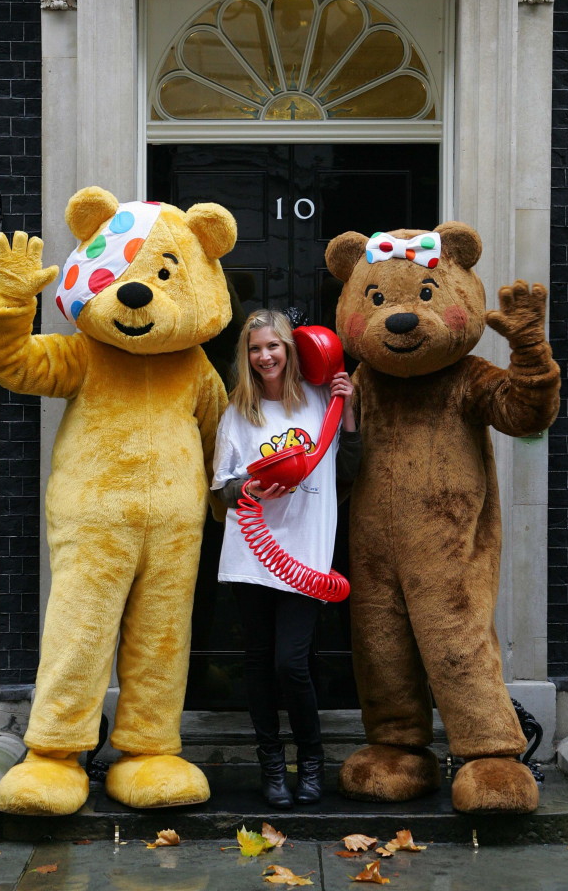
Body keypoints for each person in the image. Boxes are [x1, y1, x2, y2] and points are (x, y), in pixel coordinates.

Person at [211, 308, 361, 808]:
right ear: (247, 356)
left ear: (290, 351)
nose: (264, 356)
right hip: (252, 553)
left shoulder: (322, 403)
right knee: (257, 663)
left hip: (305, 555)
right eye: (255, 348)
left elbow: (349, 471)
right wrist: (250, 487)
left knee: (291, 664)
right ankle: (271, 765)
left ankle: (311, 761)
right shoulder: (238, 413)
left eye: (273, 346)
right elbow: (223, 487)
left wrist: (351, 411)